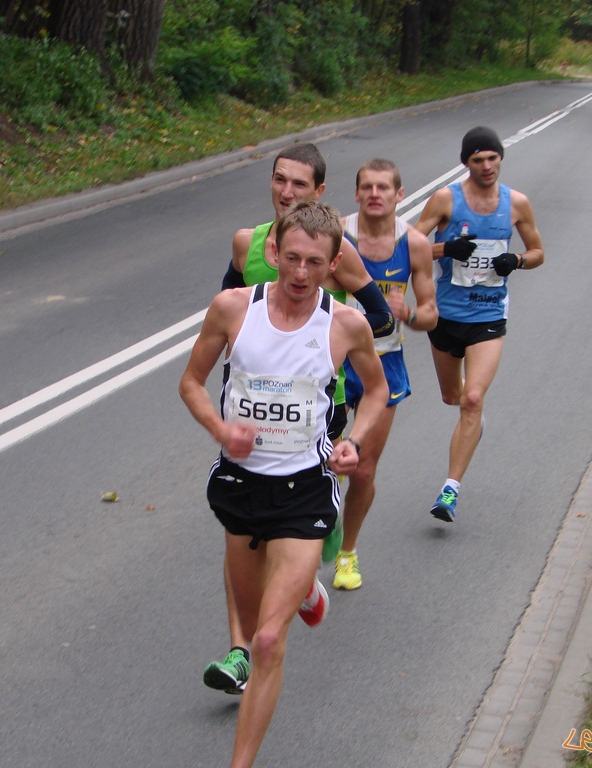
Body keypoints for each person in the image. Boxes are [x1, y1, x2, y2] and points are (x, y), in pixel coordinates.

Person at [180, 201, 388, 768]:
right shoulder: (232, 310)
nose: (300, 273)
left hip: (305, 489)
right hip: (242, 486)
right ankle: (307, 594)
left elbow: (375, 389)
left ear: (333, 263)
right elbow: (192, 383)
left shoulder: (344, 324)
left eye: (314, 263)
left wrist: (354, 442)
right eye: (291, 258)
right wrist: (222, 427)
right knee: (249, 623)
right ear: (272, 252)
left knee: (266, 642)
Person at [204, 143, 394, 694]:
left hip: (317, 412)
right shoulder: (249, 242)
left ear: (318, 193)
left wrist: (329, 354)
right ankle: (242, 650)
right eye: (279, 181)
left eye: (299, 185)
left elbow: (377, 318)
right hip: (253, 409)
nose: (287, 192)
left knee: (288, 529)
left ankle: (301, 590)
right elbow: (228, 304)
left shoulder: (337, 254)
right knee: (243, 532)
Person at [413, 126, 544, 522]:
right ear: (466, 163)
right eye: (477, 160)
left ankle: (449, 491)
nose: (487, 166)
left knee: (472, 399)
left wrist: (517, 261)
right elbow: (406, 245)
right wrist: (445, 248)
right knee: (453, 397)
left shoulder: (516, 203)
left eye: (492, 158)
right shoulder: (446, 200)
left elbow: (538, 251)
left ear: (501, 158)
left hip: (488, 315)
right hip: (446, 315)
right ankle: (474, 422)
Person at [332, 159, 437, 589]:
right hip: (334, 362)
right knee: (319, 464)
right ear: (356, 194)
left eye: (383, 188)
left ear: (399, 194)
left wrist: (408, 312)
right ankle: (307, 539)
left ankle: (346, 553)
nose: (375, 194)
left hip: (384, 363)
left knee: (362, 468)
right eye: (367, 187)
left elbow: (432, 314)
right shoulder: (335, 233)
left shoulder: (413, 244)